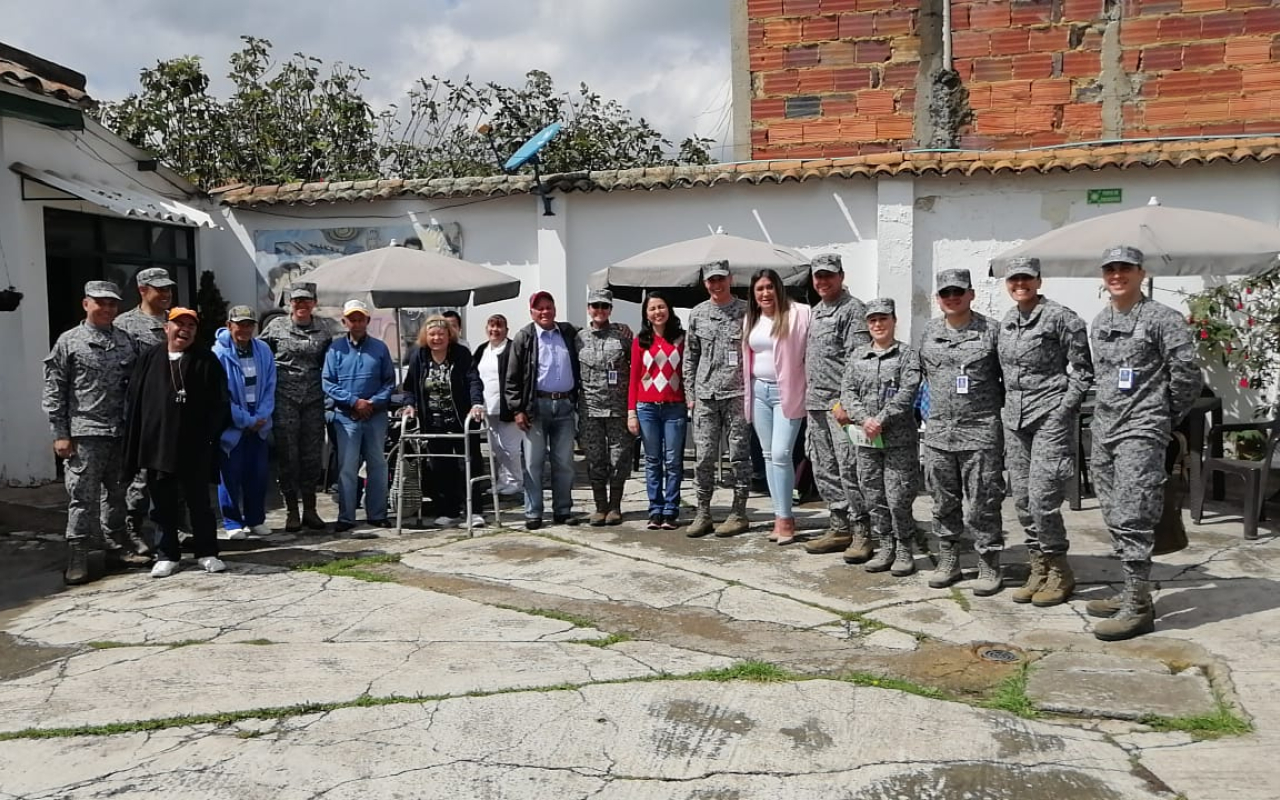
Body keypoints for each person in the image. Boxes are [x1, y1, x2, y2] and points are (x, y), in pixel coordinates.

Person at [1087, 246, 1202, 641]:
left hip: (1142, 428)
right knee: (1113, 510)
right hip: (1105, 430)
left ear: (1141, 273)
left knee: (1135, 511)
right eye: (1110, 269)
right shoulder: (1100, 322)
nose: (1116, 275)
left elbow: (1187, 375)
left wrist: (1163, 418)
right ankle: (1130, 589)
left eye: (1124, 268)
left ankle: (1138, 606)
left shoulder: (1161, 319)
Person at [997, 257, 1095, 607]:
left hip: (1050, 419)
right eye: (1014, 279)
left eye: (1026, 278)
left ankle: (1060, 569)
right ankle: (1037, 567)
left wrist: (1063, 410)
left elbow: (1083, 371)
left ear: (1039, 281)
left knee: (1043, 500)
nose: (1019, 284)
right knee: (1022, 500)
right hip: (1016, 421)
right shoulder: (1008, 321)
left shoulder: (1061, 318)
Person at [42, 281, 147, 584]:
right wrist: (60, 433)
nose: (106, 309)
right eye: (100, 302)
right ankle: (78, 556)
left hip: (119, 434)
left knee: (116, 496)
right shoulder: (69, 341)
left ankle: (115, 549)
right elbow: (55, 389)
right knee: (81, 499)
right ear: (86, 304)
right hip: (84, 435)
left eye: (112, 304)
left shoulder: (126, 341)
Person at [915, 268, 1006, 595]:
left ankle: (989, 563)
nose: (952, 298)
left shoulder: (992, 331)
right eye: (945, 293)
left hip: (980, 433)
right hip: (939, 433)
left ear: (971, 294)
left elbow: (1008, 380)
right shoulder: (929, 332)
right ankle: (949, 559)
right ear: (938, 299)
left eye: (958, 291)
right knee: (942, 501)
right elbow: (923, 377)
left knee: (984, 501)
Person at [123, 306, 231, 578]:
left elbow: (220, 403)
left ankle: (207, 553)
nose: (185, 330)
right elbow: (135, 401)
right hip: (158, 446)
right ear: (166, 328)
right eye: (179, 324)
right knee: (162, 505)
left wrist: (209, 437)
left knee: (199, 504)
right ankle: (167, 554)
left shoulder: (206, 360)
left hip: (195, 447)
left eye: (191, 326)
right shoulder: (149, 358)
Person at [838, 299, 923, 575]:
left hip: (898, 440)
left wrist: (880, 420)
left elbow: (908, 392)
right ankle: (884, 545)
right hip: (867, 441)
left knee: (898, 496)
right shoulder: (857, 356)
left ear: (893, 321)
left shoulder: (907, 355)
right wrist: (865, 420)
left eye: (883, 319)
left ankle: (903, 548)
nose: (878, 325)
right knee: (873, 495)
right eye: (872, 320)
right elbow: (847, 393)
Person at [800, 254, 874, 560]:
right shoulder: (815, 312)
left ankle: (862, 533)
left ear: (841, 276)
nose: (823, 281)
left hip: (839, 407)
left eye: (829, 275)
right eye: (818, 276)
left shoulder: (853, 310)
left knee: (849, 470)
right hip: (815, 404)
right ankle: (839, 525)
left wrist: (845, 402)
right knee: (824, 467)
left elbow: (857, 362)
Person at [741, 269, 812, 544]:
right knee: (769, 455)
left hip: (788, 392)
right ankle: (780, 516)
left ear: (778, 288)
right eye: (759, 289)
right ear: (753, 294)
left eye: (769, 287)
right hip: (759, 390)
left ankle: (786, 518)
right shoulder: (752, 319)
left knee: (783, 453)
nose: (765, 293)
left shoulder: (800, 314)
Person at [260, 282, 337, 532]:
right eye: (296, 301)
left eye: (306, 300)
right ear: (289, 303)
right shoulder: (275, 327)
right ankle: (292, 510)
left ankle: (311, 510)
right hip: (285, 400)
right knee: (288, 457)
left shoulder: (325, 329)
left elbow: (331, 362)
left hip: (314, 400)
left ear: (314, 302)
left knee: (312, 457)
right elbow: (260, 354)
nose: (301, 305)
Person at [684, 260, 752, 538]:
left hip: (737, 395)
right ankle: (703, 512)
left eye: (721, 279)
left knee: (739, 457)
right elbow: (690, 357)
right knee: (704, 458)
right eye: (711, 280)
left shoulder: (747, 311)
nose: (716, 284)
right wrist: (690, 395)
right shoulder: (698, 314)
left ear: (730, 279)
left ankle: (739, 512)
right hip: (706, 397)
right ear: (705, 283)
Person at [503, 291, 582, 530]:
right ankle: (534, 512)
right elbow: (512, 378)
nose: (545, 312)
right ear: (532, 312)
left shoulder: (569, 333)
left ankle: (563, 510)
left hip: (566, 407)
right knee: (533, 463)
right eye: (540, 308)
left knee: (564, 462)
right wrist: (517, 409)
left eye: (549, 307)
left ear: (555, 309)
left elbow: (595, 332)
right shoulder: (524, 337)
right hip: (535, 408)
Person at [113, 267, 175, 552]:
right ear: (142, 290)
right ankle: (133, 528)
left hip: (174, 411)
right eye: (159, 289)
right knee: (140, 477)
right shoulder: (124, 325)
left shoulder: (175, 320)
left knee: (175, 473)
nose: (165, 294)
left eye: (168, 289)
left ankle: (177, 526)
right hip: (142, 412)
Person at [403, 315, 485, 527]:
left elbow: (473, 380)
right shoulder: (419, 356)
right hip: (433, 422)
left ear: (450, 335)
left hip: (461, 419)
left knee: (468, 464)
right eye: (432, 334)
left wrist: (476, 403)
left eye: (441, 334)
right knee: (440, 467)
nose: (436, 338)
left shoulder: (461, 354)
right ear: (425, 336)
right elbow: (410, 386)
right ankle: (449, 510)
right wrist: (410, 405)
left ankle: (474, 511)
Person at [322, 299, 397, 533]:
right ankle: (346, 516)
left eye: (360, 318)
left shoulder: (380, 348)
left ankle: (377, 514)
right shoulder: (334, 349)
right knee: (347, 466)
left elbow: (389, 382)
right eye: (351, 319)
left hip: (375, 415)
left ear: (367, 321)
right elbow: (327, 382)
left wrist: (371, 403)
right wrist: (354, 402)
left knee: (377, 465)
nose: (356, 323)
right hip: (346, 416)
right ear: (345, 321)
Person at [212, 305, 277, 539]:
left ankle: (255, 519)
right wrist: (245, 419)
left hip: (259, 419)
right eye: (240, 324)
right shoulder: (218, 353)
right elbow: (220, 396)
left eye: (249, 324)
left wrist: (262, 415)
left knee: (258, 473)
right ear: (229, 325)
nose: (245, 329)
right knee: (230, 475)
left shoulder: (263, 350)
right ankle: (232, 523)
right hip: (233, 423)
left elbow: (270, 385)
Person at [628, 291, 687, 530]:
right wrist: (631, 412)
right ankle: (655, 509)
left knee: (673, 461)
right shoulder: (640, 341)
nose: (657, 312)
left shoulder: (682, 339)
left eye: (661, 307)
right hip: (647, 407)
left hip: (675, 407)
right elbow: (633, 379)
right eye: (652, 309)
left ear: (669, 310)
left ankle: (671, 509)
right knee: (652, 460)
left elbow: (688, 374)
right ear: (646, 314)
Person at [576, 289, 635, 526]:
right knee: (594, 458)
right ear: (589, 309)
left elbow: (637, 364)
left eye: (604, 306)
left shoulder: (623, 336)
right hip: (590, 408)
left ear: (610, 309)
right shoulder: (578, 338)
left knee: (619, 458)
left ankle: (615, 506)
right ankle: (600, 506)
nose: (599, 310)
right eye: (595, 306)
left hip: (617, 408)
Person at [472, 314, 524, 498]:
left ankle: (517, 481)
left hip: (507, 407)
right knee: (495, 447)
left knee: (511, 447)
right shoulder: (481, 350)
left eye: (499, 326)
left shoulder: (512, 349)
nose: (495, 330)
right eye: (492, 326)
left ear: (506, 330)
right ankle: (503, 480)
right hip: (487, 407)